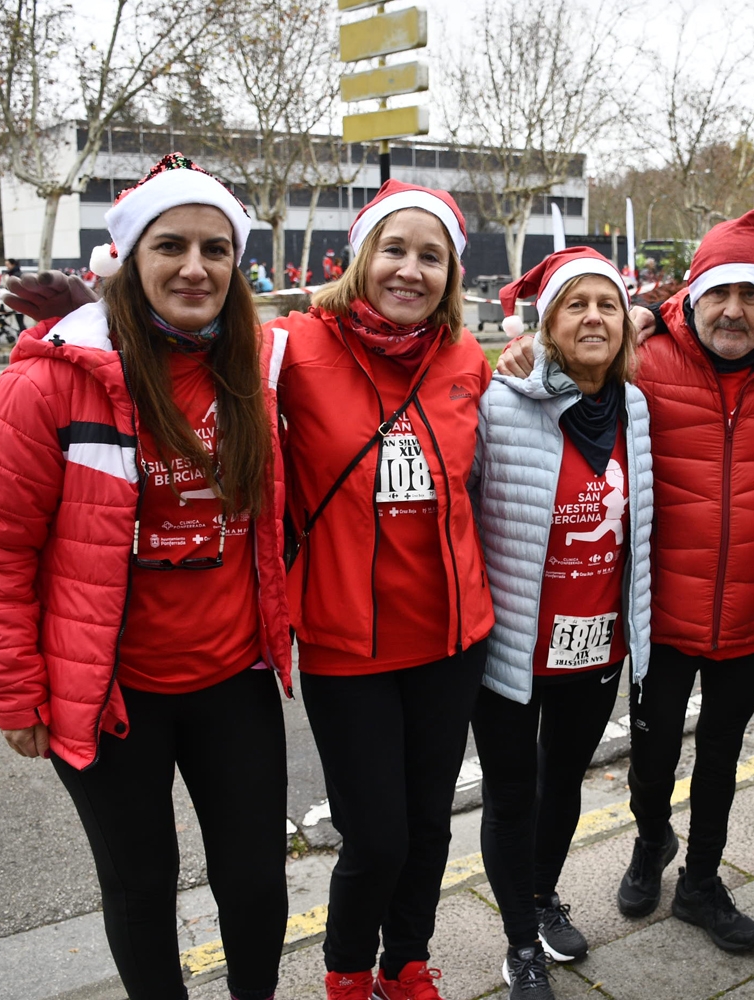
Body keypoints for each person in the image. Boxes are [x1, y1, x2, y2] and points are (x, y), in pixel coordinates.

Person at [0, 152, 293, 1000]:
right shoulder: (50, 383)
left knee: (255, 882)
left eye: (216, 249)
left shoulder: (258, 367)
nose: (194, 267)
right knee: (142, 888)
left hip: (232, 677)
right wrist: (12, 688)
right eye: (170, 245)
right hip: (111, 695)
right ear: (131, 260)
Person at [499, 207, 754, 954]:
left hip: (750, 612)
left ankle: (701, 882)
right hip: (659, 613)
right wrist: (527, 353)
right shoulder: (650, 363)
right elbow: (577, 365)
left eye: (752, 295)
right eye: (719, 293)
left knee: (722, 760)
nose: (733, 310)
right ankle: (650, 843)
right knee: (653, 754)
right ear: (692, 295)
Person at [272, 180, 494, 1000]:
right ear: (362, 256)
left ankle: (406, 961)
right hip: (346, 644)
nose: (410, 270)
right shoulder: (294, 347)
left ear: (451, 275)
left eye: (430, 256)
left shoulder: (466, 359)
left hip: (450, 640)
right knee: (376, 836)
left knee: (430, 825)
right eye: (394, 250)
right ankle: (343, 972)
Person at [472, 247, 653, 1000]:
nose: (593, 318)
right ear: (545, 323)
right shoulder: (500, 401)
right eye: (574, 305)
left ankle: (541, 897)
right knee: (512, 791)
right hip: (512, 643)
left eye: (607, 305)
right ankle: (520, 943)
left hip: (596, 640)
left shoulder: (637, 406)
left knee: (565, 779)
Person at [3, 259, 28, 331]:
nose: (7, 267)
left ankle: (23, 336)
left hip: (19, 300)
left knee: (20, 321)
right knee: (19, 321)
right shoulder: (12, 274)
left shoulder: (16, 275)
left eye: (8, 265)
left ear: (13, 264)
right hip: (17, 299)